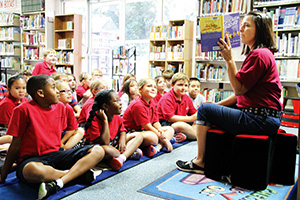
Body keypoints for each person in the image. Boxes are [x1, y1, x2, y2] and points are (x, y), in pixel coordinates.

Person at [176, 12, 282, 174]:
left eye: (246, 25)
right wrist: (214, 106)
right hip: (265, 117)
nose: (240, 29)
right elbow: (242, 94)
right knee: (207, 109)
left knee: (204, 110)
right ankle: (219, 160)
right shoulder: (263, 53)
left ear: (259, 30)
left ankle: (200, 161)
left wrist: (229, 60)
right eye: (241, 25)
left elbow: (238, 89)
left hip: (259, 119)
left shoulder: (259, 55)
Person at [0, 75, 105, 200]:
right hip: (33, 159)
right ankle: (76, 174)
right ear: (40, 93)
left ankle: (60, 181)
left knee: (98, 150)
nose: (57, 92)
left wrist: (64, 144)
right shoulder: (22, 110)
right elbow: (15, 145)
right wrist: (3, 175)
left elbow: (69, 130)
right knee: (32, 171)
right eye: (54, 88)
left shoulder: (61, 107)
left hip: (57, 154)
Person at [84, 90, 143, 171]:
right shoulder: (95, 119)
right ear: (105, 106)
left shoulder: (117, 116)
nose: (121, 103)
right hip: (100, 148)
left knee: (139, 136)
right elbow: (105, 143)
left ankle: (121, 158)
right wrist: (105, 121)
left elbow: (123, 130)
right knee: (109, 151)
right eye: (116, 101)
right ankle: (127, 152)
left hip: (113, 143)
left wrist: (122, 139)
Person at [123, 78, 175, 157]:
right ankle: (141, 147)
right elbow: (147, 126)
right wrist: (164, 139)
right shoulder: (137, 104)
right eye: (149, 86)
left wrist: (161, 132)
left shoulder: (152, 101)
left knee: (170, 129)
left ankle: (158, 147)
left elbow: (155, 121)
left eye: (154, 87)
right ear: (140, 89)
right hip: (132, 133)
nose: (153, 89)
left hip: (144, 131)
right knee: (153, 137)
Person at [157, 72, 197, 142]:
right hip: (166, 124)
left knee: (200, 123)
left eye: (186, 85)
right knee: (179, 125)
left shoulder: (186, 98)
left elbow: (194, 113)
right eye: (180, 85)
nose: (183, 88)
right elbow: (170, 118)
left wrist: (195, 118)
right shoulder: (167, 98)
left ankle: (180, 135)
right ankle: (197, 136)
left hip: (181, 120)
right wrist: (191, 118)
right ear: (172, 85)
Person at [0, 75, 27, 150]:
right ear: (9, 90)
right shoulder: (6, 104)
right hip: (6, 132)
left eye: (23, 88)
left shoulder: (24, 100)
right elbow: (7, 127)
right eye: (17, 88)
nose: (21, 91)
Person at [55, 80, 84, 150]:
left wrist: (62, 142)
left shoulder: (68, 108)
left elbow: (72, 128)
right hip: (53, 136)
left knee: (80, 131)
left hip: (62, 136)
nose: (69, 94)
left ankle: (63, 150)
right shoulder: (53, 107)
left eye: (70, 91)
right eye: (64, 91)